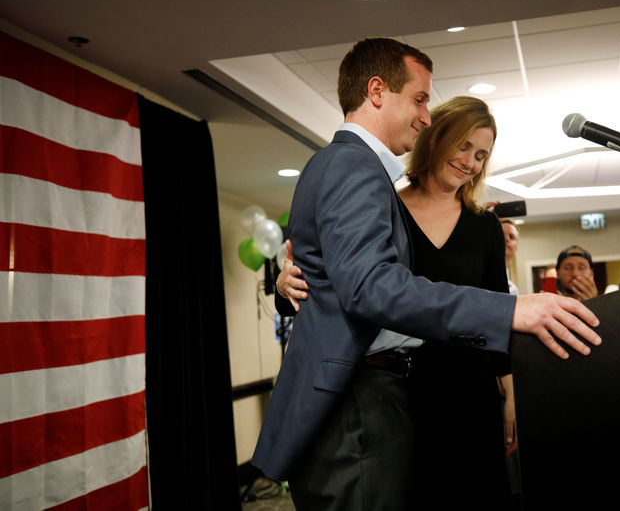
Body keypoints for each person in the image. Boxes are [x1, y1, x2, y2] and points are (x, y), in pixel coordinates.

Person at [251, 37, 601, 511]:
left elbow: (331, 271)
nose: (425, 115)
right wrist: (512, 309)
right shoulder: (357, 167)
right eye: (419, 98)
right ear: (377, 91)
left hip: (403, 395)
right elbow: (371, 287)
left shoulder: (343, 166)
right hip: (362, 398)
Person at [500, 218, 520, 295]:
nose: (506, 239)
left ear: (516, 248)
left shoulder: (513, 290)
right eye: (501, 234)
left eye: (511, 237)